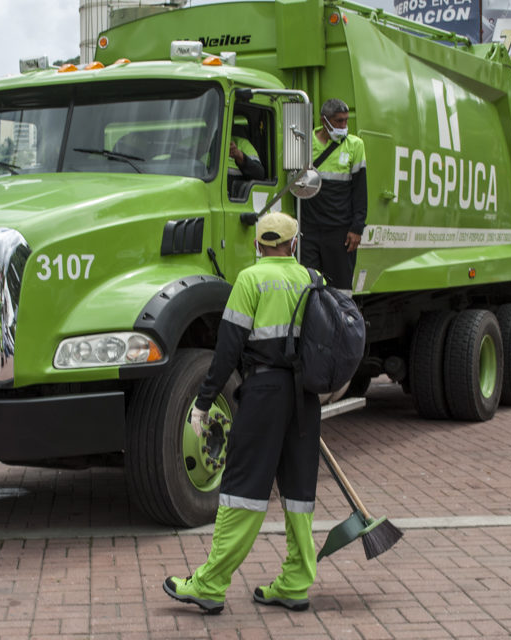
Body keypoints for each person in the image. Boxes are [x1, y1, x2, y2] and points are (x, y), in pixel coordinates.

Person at [163, 211, 322, 615]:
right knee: (298, 491)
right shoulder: (312, 279)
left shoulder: (251, 280)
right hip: (304, 396)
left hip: (265, 392)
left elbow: (227, 350)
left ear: (257, 245)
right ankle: (296, 583)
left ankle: (211, 584)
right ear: (295, 244)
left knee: (243, 489)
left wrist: (203, 400)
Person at [300, 98, 367, 290]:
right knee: (308, 286)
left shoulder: (355, 145)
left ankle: (341, 320)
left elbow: (360, 191)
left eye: (346, 120)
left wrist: (357, 228)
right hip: (310, 228)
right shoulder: (303, 141)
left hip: (339, 230)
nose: (344, 126)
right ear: (324, 120)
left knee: (340, 290)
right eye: (339, 121)